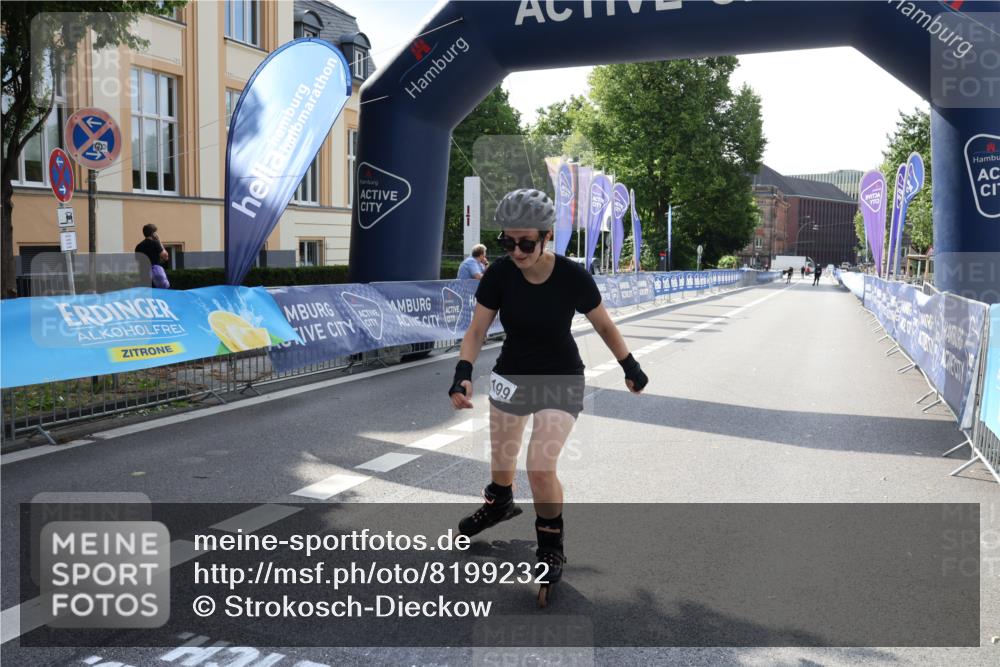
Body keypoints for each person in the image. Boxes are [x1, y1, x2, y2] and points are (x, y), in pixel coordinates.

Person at [448, 188, 648, 601]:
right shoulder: (500, 274)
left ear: (545, 238)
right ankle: (500, 502)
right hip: (511, 375)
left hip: (561, 376)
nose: (516, 251)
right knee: (502, 465)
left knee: (539, 467)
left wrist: (630, 365)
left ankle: (551, 547)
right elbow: (477, 330)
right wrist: (462, 373)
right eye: (508, 242)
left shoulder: (572, 276)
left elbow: (605, 326)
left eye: (525, 243)